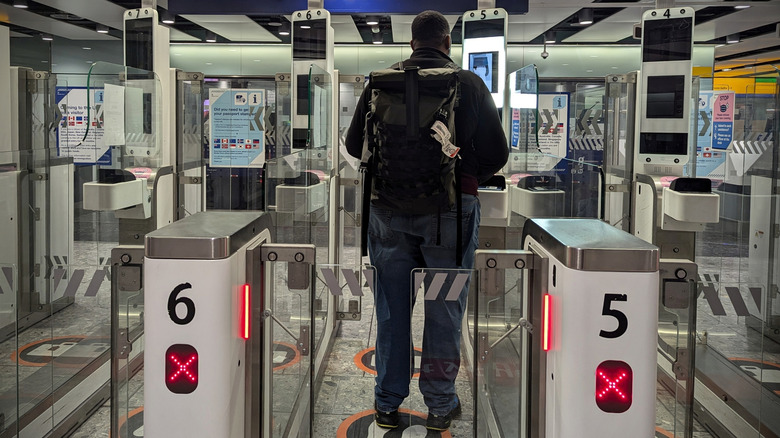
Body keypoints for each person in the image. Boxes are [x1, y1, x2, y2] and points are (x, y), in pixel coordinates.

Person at [345, 10, 508, 432]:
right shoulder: (468, 83)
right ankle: (439, 404)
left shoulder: (381, 81)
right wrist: (462, 175)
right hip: (449, 216)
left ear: (412, 41)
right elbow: (497, 152)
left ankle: (386, 403)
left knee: (392, 309)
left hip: (387, 212)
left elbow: (352, 144)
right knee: (444, 309)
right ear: (447, 42)